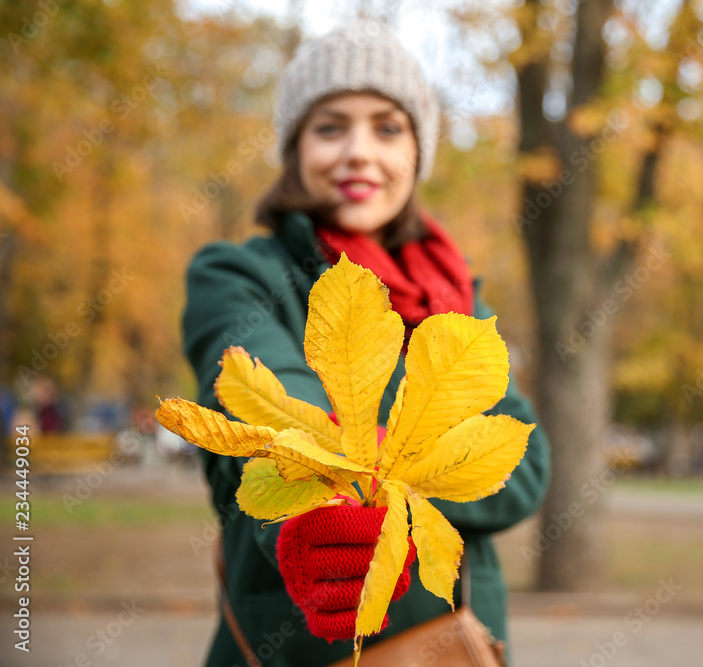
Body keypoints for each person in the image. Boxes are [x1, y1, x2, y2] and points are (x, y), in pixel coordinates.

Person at [182, 19, 551, 667]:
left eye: (387, 127)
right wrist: (324, 507)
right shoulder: (239, 275)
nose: (359, 151)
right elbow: (265, 418)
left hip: (453, 646)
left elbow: (524, 468)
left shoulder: (460, 295)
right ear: (294, 147)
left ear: (418, 150)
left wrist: (377, 467)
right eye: (330, 126)